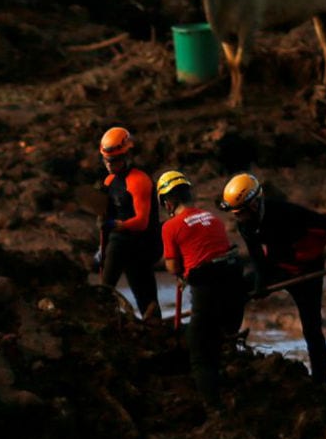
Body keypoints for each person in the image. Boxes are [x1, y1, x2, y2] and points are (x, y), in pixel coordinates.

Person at [221, 173, 326, 383]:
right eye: (234, 212)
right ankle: (229, 346)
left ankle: (320, 383)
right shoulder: (245, 225)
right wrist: (260, 283)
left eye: (240, 212)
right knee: (238, 292)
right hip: (277, 267)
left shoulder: (286, 212)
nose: (237, 217)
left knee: (312, 329)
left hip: (307, 271)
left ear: (254, 204)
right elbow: (257, 256)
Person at [157, 170, 245, 413]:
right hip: (234, 281)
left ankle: (214, 408)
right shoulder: (212, 217)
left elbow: (173, 266)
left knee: (198, 348)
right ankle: (224, 384)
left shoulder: (170, 226)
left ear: (167, 202)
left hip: (208, 286)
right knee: (216, 338)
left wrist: (183, 273)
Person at [95, 127, 160, 319]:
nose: (109, 165)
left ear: (127, 156)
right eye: (106, 161)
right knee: (140, 289)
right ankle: (105, 311)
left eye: (114, 161)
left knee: (142, 293)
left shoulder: (139, 181)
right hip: (121, 241)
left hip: (141, 244)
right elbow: (105, 216)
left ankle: (153, 324)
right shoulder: (109, 182)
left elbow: (142, 221)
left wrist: (115, 225)